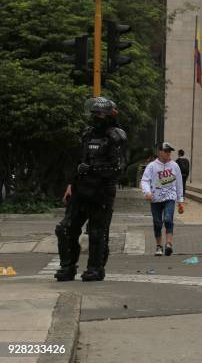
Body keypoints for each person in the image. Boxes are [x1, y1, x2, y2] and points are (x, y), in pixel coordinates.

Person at [54, 97, 127, 282]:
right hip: (80, 189)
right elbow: (78, 160)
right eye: (94, 113)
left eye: (100, 114)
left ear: (110, 115)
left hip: (102, 191)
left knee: (97, 232)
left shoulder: (116, 136)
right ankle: (67, 267)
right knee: (64, 228)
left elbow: (119, 168)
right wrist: (71, 183)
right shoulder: (86, 134)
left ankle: (95, 268)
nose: (96, 117)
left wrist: (94, 169)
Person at [141, 142, 185, 256]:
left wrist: (180, 200)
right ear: (159, 152)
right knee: (157, 223)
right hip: (155, 198)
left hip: (170, 196)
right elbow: (145, 180)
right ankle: (159, 246)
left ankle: (169, 244)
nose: (168, 153)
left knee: (168, 219)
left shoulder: (174, 166)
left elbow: (179, 183)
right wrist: (147, 192)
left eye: (169, 151)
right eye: (166, 151)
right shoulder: (152, 166)